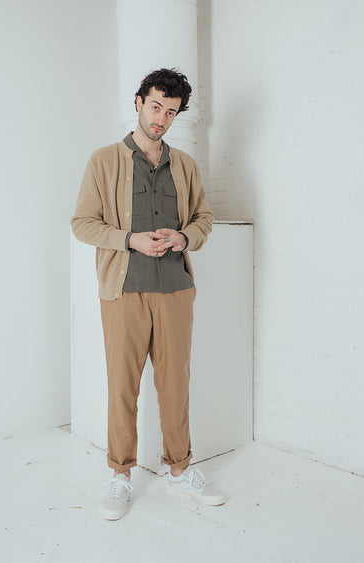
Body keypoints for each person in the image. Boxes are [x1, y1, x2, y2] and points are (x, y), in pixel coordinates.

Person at [72, 68, 224, 521]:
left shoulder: (186, 166)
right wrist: (129, 239)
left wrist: (183, 238)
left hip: (175, 289)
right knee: (123, 385)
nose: (161, 118)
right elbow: (82, 223)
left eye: (171, 112)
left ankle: (180, 470)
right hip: (124, 290)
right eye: (155, 106)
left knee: (175, 383)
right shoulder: (104, 161)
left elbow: (204, 219)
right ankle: (120, 475)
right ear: (138, 103)